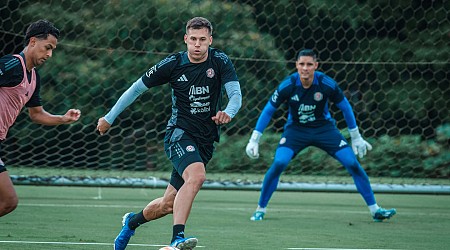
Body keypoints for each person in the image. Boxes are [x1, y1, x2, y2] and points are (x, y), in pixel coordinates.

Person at [97, 17, 242, 250]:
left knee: (167, 204)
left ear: (210, 41)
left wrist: (229, 112)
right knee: (197, 176)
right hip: (179, 134)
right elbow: (135, 89)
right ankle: (177, 239)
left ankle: (131, 223)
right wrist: (109, 118)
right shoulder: (173, 64)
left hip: (205, 139)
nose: (197, 44)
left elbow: (235, 94)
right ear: (185, 39)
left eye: (202, 40)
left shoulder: (220, 60)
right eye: (192, 39)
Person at [246, 49, 396, 222]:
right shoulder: (288, 85)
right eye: (301, 64)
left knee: (352, 163)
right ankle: (260, 210)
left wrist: (356, 137)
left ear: (316, 66)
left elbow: (345, 107)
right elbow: (268, 110)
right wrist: (254, 139)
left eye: (309, 64)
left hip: (324, 130)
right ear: (296, 65)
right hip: (296, 131)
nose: (305, 68)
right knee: (279, 162)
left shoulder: (326, 84)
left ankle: (375, 210)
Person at [0, 19, 81, 217]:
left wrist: (63, 119)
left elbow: (36, 114)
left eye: (52, 49)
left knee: (8, 202)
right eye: (47, 47)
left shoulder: (34, 77)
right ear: (33, 41)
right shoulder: (11, 65)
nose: (49, 54)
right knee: (8, 200)